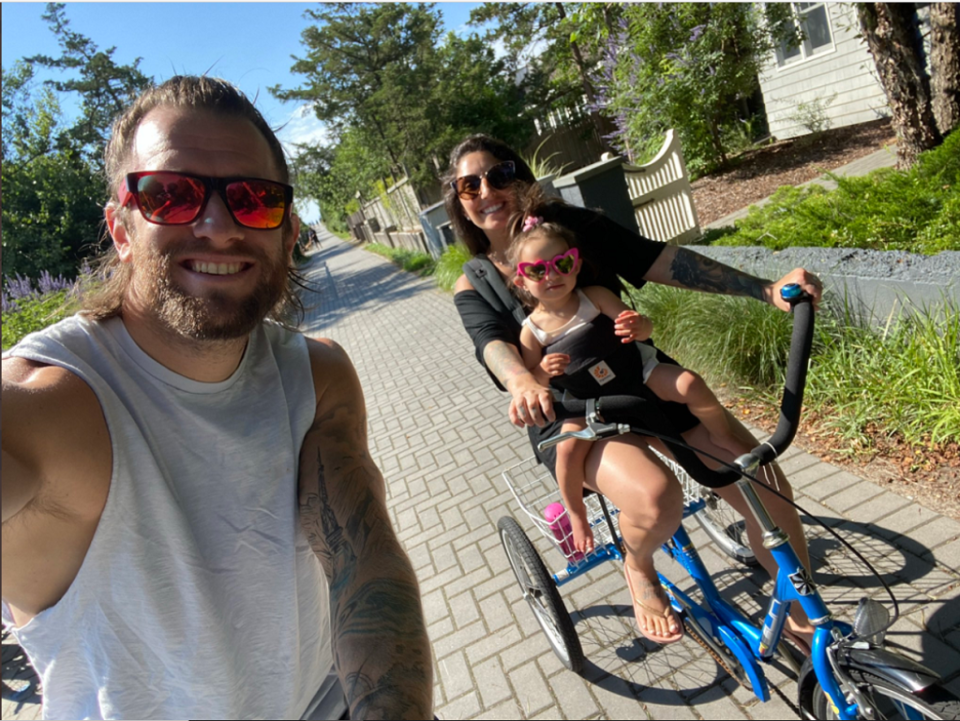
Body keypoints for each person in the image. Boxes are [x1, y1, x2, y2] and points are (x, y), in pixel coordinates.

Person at [1, 76, 433, 720]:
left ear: (288, 231)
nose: (217, 226)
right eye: (170, 195)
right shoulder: (53, 406)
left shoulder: (315, 374)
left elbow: (363, 562)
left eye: (254, 200)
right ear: (120, 229)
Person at [447, 134, 822, 650]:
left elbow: (656, 259)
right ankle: (638, 565)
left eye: (500, 173)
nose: (487, 189)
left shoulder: (569, 228)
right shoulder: (475, 284)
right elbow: (492, 344)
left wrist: (762, 289)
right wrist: (523, 380)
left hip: (639, 377)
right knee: (655, 496)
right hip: (572, 411)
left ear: (522, 178)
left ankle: (808, 629)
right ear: (459, 202)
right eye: (470, 184)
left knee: (765, 486)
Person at [510, 206, 736, 572]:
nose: (552, 275)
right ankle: (576, 513)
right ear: (522, 282)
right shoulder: (531, 330)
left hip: (636, 372)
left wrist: (638, 326)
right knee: (567, 452)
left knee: (690, 383)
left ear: (577, 264)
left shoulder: (594, 295)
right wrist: (542, 370)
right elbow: (531, 378)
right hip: (587, 401)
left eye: (562, 264)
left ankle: (722, 435)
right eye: (537, 271)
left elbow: (641, 327)